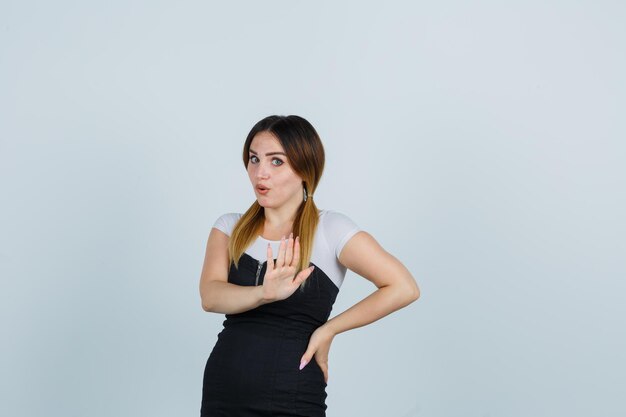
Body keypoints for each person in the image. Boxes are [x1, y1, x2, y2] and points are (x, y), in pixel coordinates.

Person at [199, 115, 420, 416]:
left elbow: (404, 287)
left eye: (276, 161)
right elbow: (210, 297)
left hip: (293, 394)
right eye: (254, 159)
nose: (260, 173)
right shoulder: (229, 227)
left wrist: (329, 330)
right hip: (224, 389)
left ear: (304, 169)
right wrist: (264, 293)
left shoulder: (331, 229)